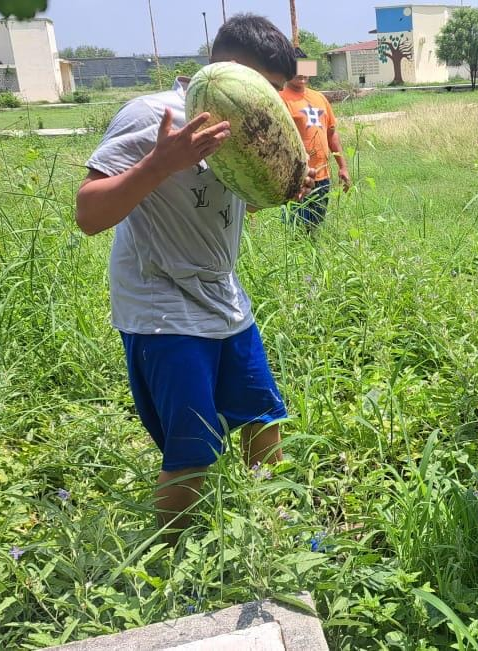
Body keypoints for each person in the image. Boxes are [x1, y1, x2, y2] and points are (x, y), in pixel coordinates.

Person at [74, 14, 308, 544]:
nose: (268, 110)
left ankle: (276, 529)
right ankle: (176, 561)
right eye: (264, 91)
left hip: (223, 297)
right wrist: (160, 163)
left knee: (263, 417)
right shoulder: (152, 115)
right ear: (227, 71)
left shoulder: (242, 128)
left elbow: (225, 204)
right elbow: (88, 215)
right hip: (162, 308)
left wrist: (273, 190)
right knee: (193, 448)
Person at [279, 48, 351, 232]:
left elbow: (331, 133)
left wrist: (342, 166)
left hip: (322, 175)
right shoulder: (280, 98)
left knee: (316, 228)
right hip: (296, 178)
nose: (302, 73)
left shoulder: (319, 98)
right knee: (295, 230)